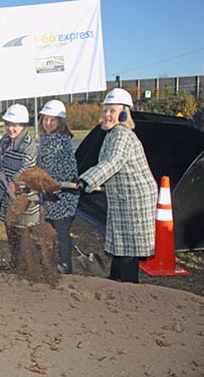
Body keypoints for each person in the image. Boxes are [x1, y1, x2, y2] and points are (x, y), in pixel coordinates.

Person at [78, 88, 157, 283]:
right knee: (120, 243)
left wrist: (86, 180)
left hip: (135, 200)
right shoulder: (112, 134)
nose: (106, 115)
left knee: (129, 246)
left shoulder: (122, 135)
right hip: (123, 197)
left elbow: (112, 162)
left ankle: (129, 287)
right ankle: (115, 280)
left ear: (123, 113)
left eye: (112, 111)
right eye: (105, 110)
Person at [36, 100, 79, 274]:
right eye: (45, 119)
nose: (48, 123)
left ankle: (64, 268)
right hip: (49, 194)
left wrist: (51, 182)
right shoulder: (45, 139)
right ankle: (51, 265)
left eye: (52, 120)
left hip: (63, 196)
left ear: (60, 122)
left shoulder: (63, 141)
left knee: (61, 234)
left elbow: (69, 170)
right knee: (50, 233)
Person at [0, 103, 37, 223]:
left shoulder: (28, 144)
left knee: (24, 234)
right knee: (10, 230)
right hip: (7, 195)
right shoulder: (5, 140)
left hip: (23, 196)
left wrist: (8, 181)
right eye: (7, 124)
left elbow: (24, 170)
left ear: (22, 125)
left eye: (14, 125)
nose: (10, 128)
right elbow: (1, 161)